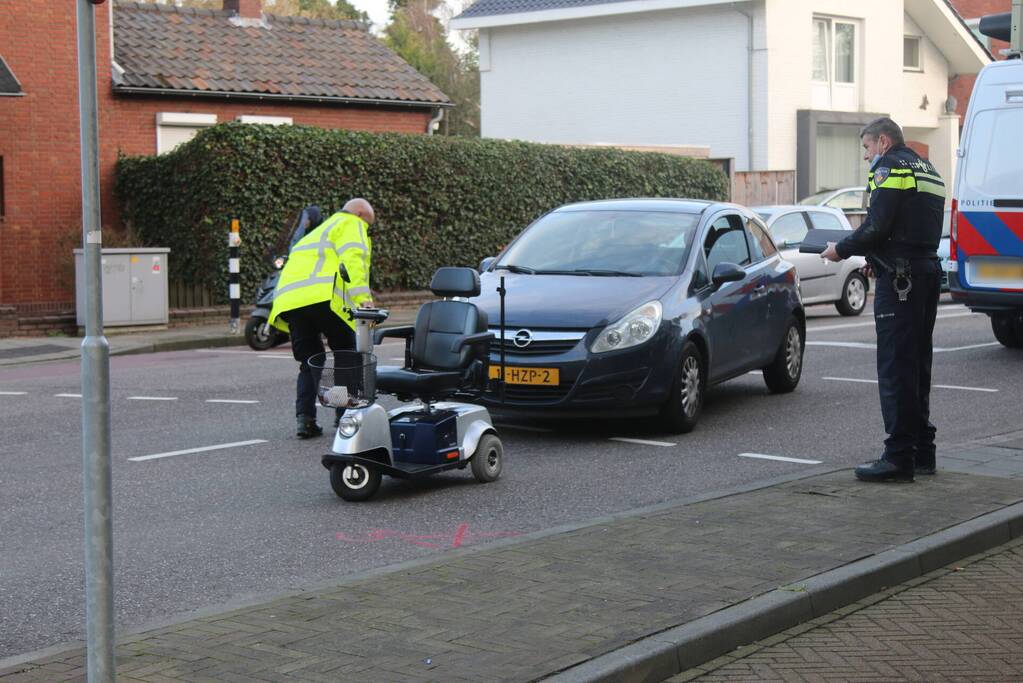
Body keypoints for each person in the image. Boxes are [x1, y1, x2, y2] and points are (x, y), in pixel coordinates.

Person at [822, 117, 944, 483]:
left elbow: (878, 225)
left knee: (894, 368)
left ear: (884, 142)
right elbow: (909, 227)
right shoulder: (928, 168)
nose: (866, 156)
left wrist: (839, 249)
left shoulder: (888, 168)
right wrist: (880, 259)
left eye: (867, 147)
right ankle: (923, 451)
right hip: (925, 272)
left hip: (902, 283)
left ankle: (897, 459)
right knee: (918, 364)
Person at [268, 198, 375, 438]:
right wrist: (363, 300)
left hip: (292, 302)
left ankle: (305, 420)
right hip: (324, 298)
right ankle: (344, 415)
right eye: (369, 225)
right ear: (359, 213)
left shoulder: (317, 232)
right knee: (346, 354)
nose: (367, 231)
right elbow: (353, 259)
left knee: (309, 361)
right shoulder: (350, 223)